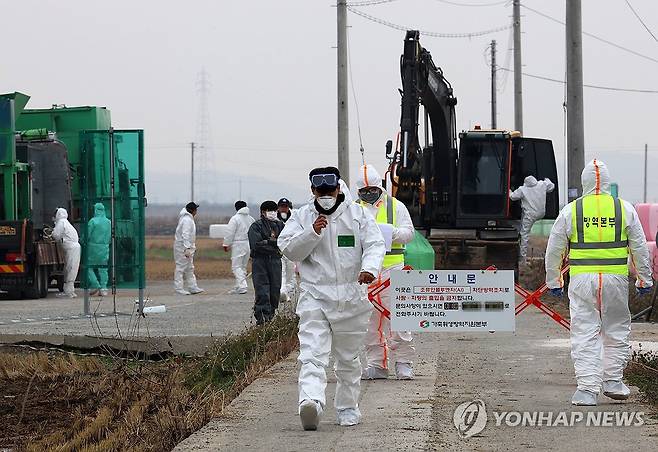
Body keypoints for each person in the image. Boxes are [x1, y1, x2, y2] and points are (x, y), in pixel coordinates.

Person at [278, 166, 385, 430]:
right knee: (312, 353)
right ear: (313, 191)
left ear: (339, 188)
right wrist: (312, 233)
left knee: (348, 359)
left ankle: (347, 408)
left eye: (330, 190)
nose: (325, 195)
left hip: (351, 297)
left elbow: (374, 244)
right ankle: (310, 401)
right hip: (315, 295)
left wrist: (369, 269)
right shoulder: (303, 217)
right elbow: (289, 249)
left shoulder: (357, 215)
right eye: (320, 191)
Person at [545, 159, 653, 406]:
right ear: (607, 182)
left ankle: (586, 390)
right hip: (616, 280)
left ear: (584, 183)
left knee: (584, 331)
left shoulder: (572, 210)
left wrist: (554, 280)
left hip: (582, 280)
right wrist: (644, 278)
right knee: (615, 328)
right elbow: (639, 246)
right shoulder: (623, 208)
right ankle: (613, 381)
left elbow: (554, 248)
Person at [356, 164, 416, 380]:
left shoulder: (395, 206)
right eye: (364, 192)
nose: (369, 194)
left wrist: (391, 233)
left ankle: (403, 362)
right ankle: (377, 364)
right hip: (365, 272)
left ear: (380, 187)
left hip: (393, 270)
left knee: (399, 318)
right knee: (369, 321)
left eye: (372, 190)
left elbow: (410, 234)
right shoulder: (353, 209)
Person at [248, 200, 284, 325]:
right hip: (260, 262)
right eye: (269, 211)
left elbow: (285, 243)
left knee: (275, 290)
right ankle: (262, 320)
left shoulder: (281, 226)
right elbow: (256, 245)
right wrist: (274, 245)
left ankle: (271, 318)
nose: (272, 213)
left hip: (275, 261)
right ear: (263, 212)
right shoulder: (256, 226)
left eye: (274, 210)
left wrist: (269, 242)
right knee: (262, 290)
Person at [510, 175, 555, 261]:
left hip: (530, 215)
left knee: (524, 234)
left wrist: (508, 191)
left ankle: (522, 258)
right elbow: (551, 186)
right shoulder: (542, 184)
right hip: (541, 213)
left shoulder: (522, 189)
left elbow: (512, 197)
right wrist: (547, 179)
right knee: (523, 221)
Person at [223, 200, 255, 295]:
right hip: (248, 244)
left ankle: (242, 286)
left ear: (236, 208)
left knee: (236, 266)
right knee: (242, 267)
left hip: (238, 244)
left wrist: (226, 244)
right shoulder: (251, 219)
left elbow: (230, 232)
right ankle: (238, 286)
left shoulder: (235, 218)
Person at [174, 202, 204, 296]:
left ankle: (192, 286)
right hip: (182, 247)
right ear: (193, 210)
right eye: (196, 209)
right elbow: (185, 235)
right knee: (181, 267)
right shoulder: (187, 220)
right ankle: (179, 288)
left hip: (187, 247)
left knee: (189, 267)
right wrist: (187, 248)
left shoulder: (187, 219)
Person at [52, 207, 81, 298]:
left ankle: (67, 292)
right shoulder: (67, 223)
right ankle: (70, 291)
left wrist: (52, 232)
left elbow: (56, 235)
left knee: (69, 268)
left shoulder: (61, 223)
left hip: (70, 248)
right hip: (75, 248)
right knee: (73, 268)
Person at [87, 203, 111, 296]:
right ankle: (104, 288)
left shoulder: (92, 221)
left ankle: (95, 284)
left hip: (93, 247)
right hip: (104, 247)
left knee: (89, 267)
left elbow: (88, 235)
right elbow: (110, 236)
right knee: (103, 268)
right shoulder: (108, 222)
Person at [277, 197, 297, 302]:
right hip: (279, 250)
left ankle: (287, 292)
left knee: (291, 273)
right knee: (282, 272)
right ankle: (282, 291)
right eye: (282, 207)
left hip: (291, 249)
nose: (284, 209)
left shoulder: (295, 216)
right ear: (278, 208)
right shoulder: (274, 219)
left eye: (286, 207)